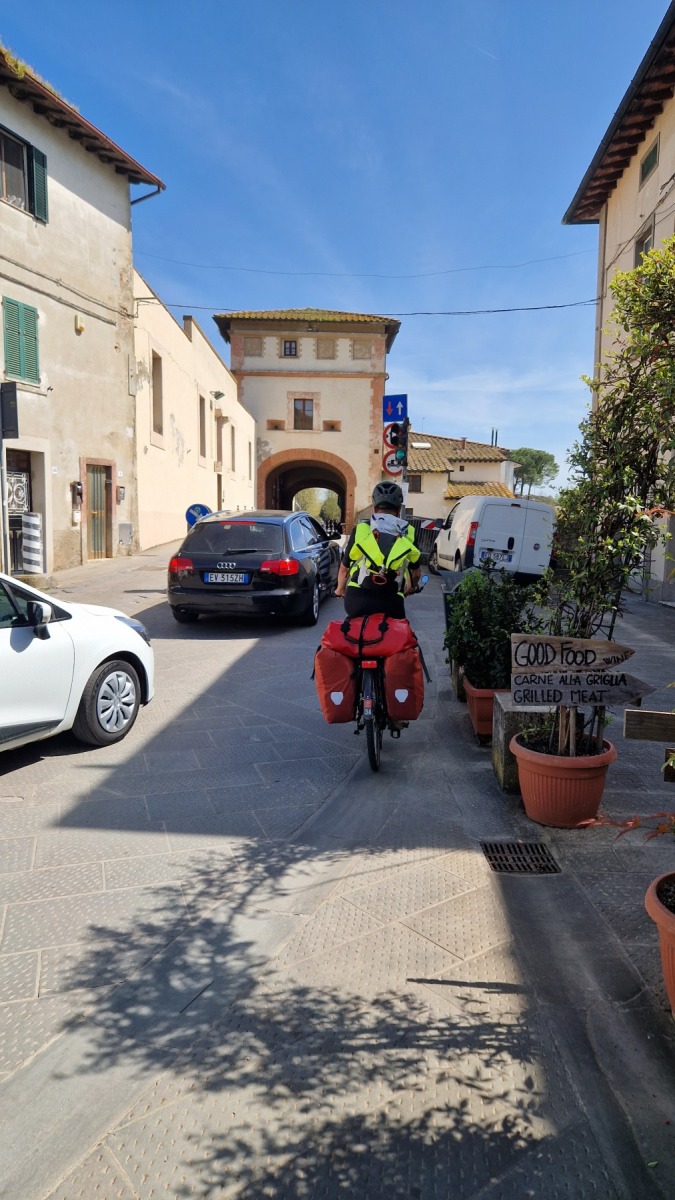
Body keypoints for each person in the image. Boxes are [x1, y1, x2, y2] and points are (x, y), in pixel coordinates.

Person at [334, 481, 422, 619]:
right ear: (399, 509)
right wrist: (410, 587)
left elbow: (344, 569)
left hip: (357, 599)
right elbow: (415, 573)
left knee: (351, 628)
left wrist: (340, 590)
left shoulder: (361, 529)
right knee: (399, 631)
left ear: (374, 508)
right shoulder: (409, 532)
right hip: (391, 602)